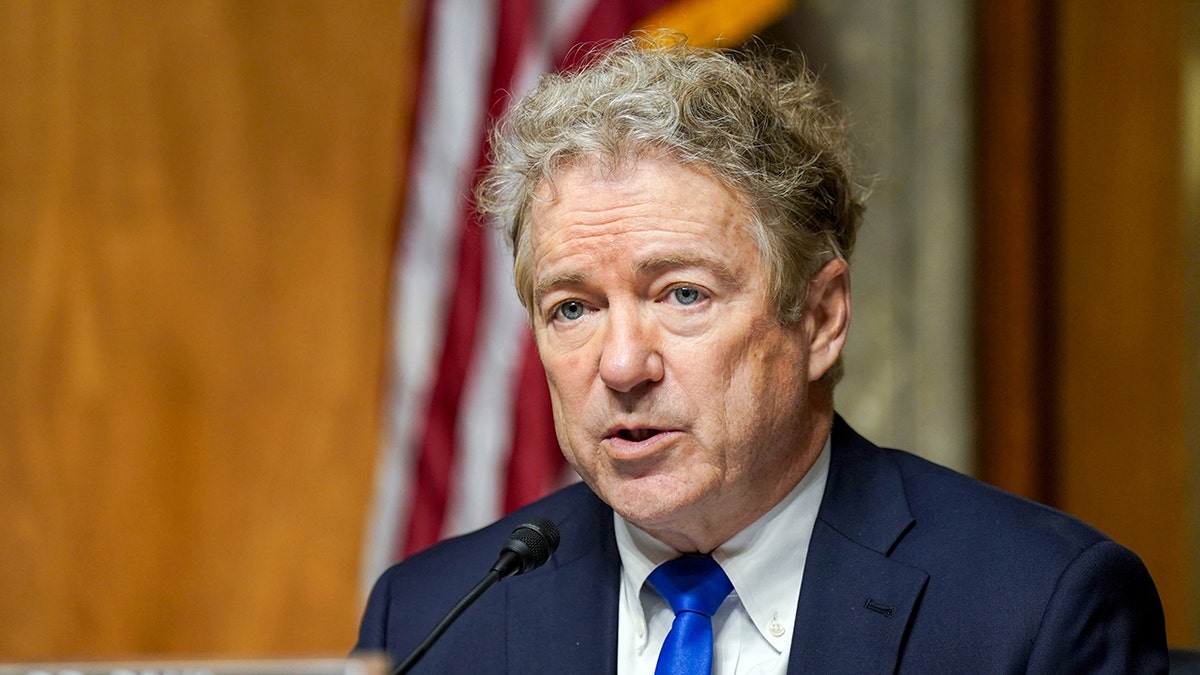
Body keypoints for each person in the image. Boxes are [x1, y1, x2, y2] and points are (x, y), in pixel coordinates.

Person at [356, 34, 1167, 673]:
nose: (622, 365)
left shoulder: (1035, 611)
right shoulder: (430, 618)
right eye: (573, 307)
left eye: (683, 295)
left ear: (819, 318)